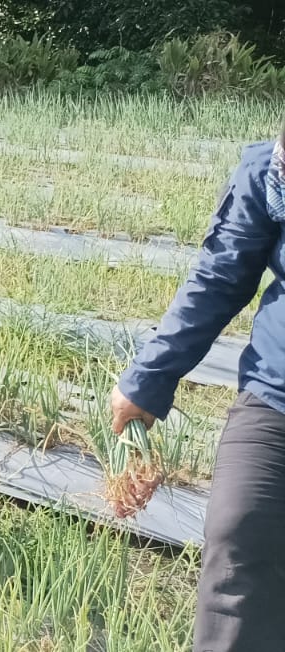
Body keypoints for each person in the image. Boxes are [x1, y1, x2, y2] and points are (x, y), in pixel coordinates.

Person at [109, 131, 284, 650]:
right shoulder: (275, 169)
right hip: (277, 394)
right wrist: (149, 378)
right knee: (238, 540)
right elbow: (222, 274)